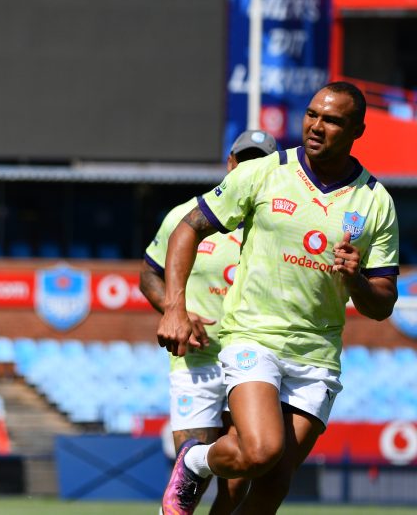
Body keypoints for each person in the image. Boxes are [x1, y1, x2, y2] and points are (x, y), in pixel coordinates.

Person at [156, 81, 399, 515]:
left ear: (358, 130)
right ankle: (194, 462)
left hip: (317, 354)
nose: (317, 127)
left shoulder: (376, 201)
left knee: (272, 485)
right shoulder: (266, 172)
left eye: (332, 120)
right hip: (254, 337)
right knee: (262, 451)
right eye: (312, 115)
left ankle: (198, 466)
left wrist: (358, 280)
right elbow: (187, 228)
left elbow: (382, 304)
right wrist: (174, 306)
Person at [141, 130, 277, 514]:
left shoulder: (279, 223)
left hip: (255, 363)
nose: (248, 167)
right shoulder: (187, 216)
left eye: (260, 161)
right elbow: (148, 275)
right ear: (230, 163)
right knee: (190, 483)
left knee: (239, 483)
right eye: (243, 159)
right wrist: (175, 310)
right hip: (196, 363)